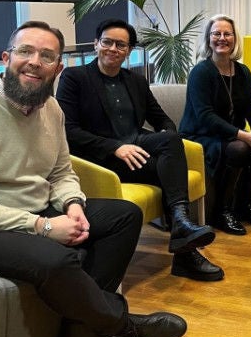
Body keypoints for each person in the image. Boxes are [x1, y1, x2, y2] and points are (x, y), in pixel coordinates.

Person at [0, 21, 188, 337]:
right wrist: (43, 227)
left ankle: (80, 334)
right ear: (6, 59)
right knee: (56, 258)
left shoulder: (51, 109)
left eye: (46, 56)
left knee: (124, 216)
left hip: (33, 209)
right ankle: (120, 323)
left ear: (58, 67)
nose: (34, 62)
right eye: (25, 51)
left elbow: (61, 172)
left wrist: (73, 204)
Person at [57, 19, 221, 282]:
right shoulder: (75, 78)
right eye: (107, 42)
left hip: (137, 149)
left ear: (129, 50)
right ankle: (184, 246)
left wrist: (167, 134)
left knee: (170, 143)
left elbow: (161, 118)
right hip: (101, 160)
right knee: (170, 171)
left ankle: (181, 230)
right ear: (96, 44)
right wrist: (115, 148)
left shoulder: (135, 80)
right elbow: (69, 130)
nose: (113, 49)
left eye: (120, 45)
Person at [181, 14, 251, 237]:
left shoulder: (243, 72)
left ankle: (246, 205)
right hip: (201, 135)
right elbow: (205, 117)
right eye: (216, 34)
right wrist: (244, 136)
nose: (222, 38)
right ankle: (222, 211)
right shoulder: (201, 72)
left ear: (234, 38)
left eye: (227, 34)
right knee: (239, 149)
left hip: (230, 134)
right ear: (208, 39)